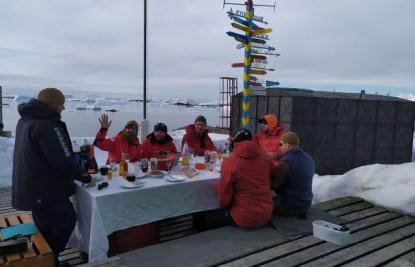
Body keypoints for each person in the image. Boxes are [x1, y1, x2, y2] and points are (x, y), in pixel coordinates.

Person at [12, 88, 91, 267]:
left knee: (44, 224)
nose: (63, 108)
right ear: (53, 106)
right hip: (45, 188)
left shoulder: (25, 120)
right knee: (66, 219)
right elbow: (62, 159)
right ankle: (48, 258)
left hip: (31, 186)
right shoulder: (48, 126)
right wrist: (84, 176)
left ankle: (49, 261)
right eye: (61, 104)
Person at [196, 129, 274, 230]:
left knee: (203, 219)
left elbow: (224, 197)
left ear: (235, 143)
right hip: (267, 213)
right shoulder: (265, 157)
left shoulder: (230, 162)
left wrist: (225, 207)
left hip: (244, 217)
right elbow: (274, 175)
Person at [271, 131, 315, 216]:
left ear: (287, 145)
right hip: (306, 205)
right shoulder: (309, 158)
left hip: (289, 207)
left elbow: (274, 185)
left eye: (280, 144)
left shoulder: (285, 163)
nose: (279, 147)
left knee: (259, 203)